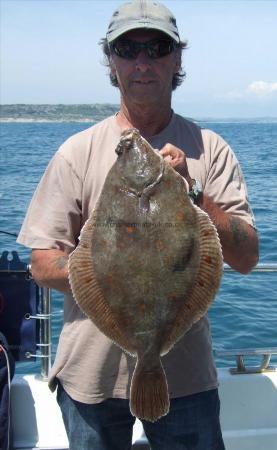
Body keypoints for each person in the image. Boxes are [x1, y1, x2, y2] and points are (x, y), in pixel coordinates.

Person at [17, 0, 259, 449]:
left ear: (177, 59)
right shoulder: (76, 151)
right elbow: (41, 262)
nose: (142, 61)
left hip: (186, 377)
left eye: (157, 47)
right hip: (90, 378)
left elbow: (246, 258)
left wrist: (195, 191)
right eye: (128, 49)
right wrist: (101, 273)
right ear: (111, 61)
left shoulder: (212, 149)